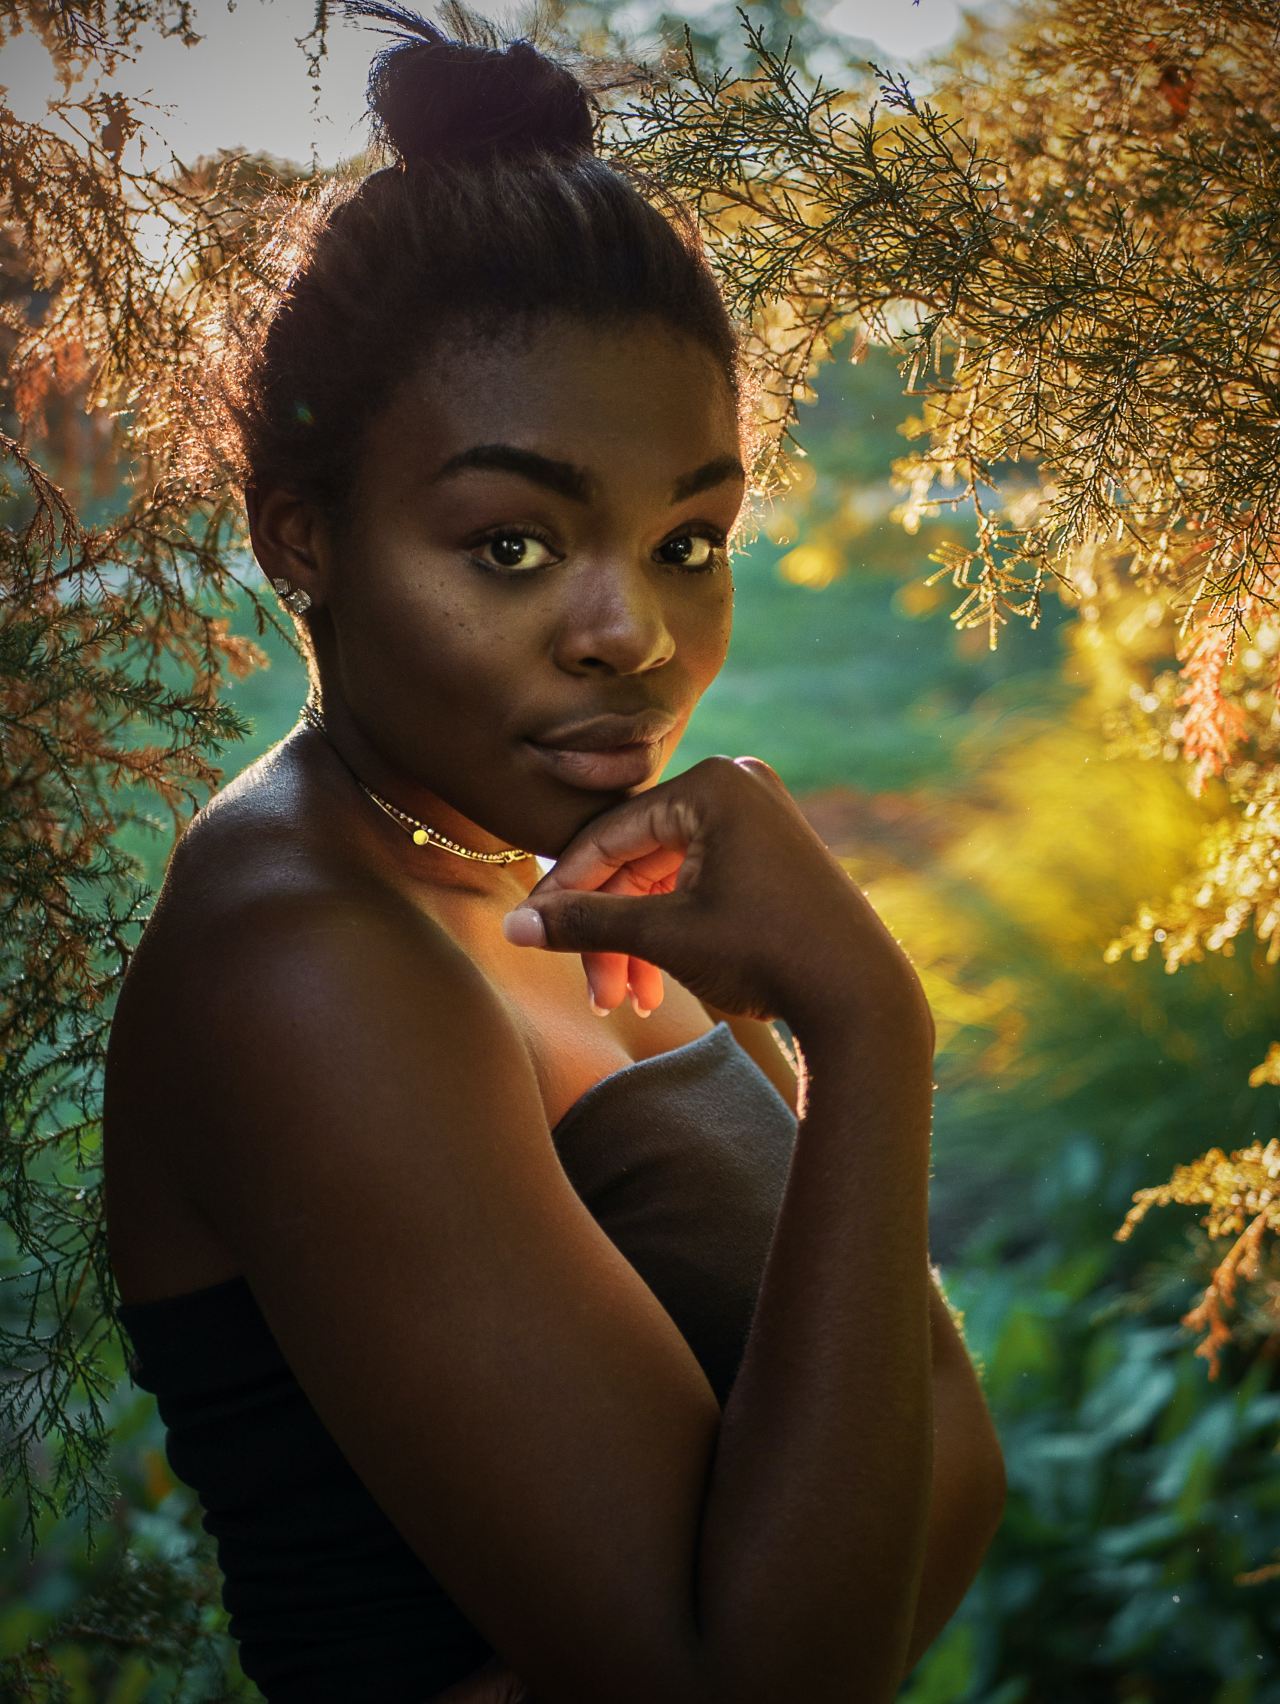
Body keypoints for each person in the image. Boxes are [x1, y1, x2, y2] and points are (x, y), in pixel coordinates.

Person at [102, 5, 1006, 1700]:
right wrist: (872, 1030)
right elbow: (775, 1673)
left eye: (690, 539)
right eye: (513, 543)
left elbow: (930, 1498)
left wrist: (806, 1563)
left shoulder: (570, 885)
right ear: (303, 537)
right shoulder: (308, 962)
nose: (634, 633)